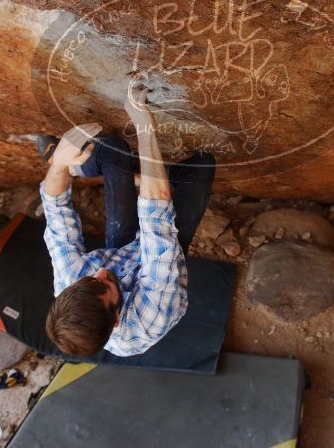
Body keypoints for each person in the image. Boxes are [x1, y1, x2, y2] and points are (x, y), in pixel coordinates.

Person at [39, 85, 216, 357]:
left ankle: (80, 166)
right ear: (118, 318)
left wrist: (59, 164)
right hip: (162, 259)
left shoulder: (69, 282)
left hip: (121, 248)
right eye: (105, 284)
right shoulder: (147, 319)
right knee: (202, 165)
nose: (99, 272)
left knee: (113, 149)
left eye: (88, 279)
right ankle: (154, 174)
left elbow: (56, 211)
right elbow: (157, 223)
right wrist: (144, 125)